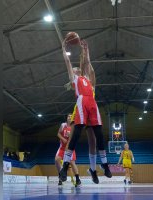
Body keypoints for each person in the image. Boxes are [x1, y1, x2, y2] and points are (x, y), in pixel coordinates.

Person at [59, 38, 112, 183]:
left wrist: (86, 50)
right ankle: (65, 166)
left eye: (78, 68)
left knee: (97, 138)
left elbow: (87, 64)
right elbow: (68, 63)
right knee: (75, 136)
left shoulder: (87, 78)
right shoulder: (74, 78)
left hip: (92, 105)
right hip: (81, 105)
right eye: (75, 69)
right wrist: (64, 49)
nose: (76, 68)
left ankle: (101, 166)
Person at [55, 114, 81, 187]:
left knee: (72, 162)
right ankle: (61, 175)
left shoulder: (75, 127)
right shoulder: (63, 125)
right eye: (68, 116)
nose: (70, 117)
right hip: (62, 148)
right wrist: (62, 139)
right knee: (57, 160)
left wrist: (68, 144)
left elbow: (74, 138)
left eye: (71, 116)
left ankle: (78, 179)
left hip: (70, 148)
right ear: (66, 118)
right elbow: (58, 134)